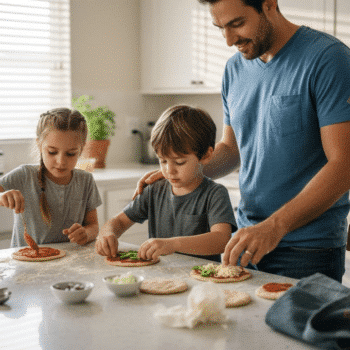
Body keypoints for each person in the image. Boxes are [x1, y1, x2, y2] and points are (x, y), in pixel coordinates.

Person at [133, 0, 350, 282]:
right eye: (221, 28)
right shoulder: (235, 70)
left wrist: (275, 227)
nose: (228, 39)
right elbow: (231, 150)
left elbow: (344, 164)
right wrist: (184, 171)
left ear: (269, 4)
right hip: (245, 241)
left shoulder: (328, 59)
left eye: (237, 24)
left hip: (307, 249)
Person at [95, 105, 236, 262]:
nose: (169, 170)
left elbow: (221, 240)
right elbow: (120, 221)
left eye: (179, 162)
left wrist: (173, 244)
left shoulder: (215, 194)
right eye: (162, 160)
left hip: (201, 280)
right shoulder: (155, 190)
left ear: (206, 155)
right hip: (161, 279)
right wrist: (107, 233)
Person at [0, 108, 102, 247]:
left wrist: (86, 233)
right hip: (26, 263)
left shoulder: (85, 180)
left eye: (71, 153)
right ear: (39, 144)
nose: (61, 161)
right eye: (52, 152)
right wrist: (2, 196)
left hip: (69, 261)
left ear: (82, 148)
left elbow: (93, 225)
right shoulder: (24, 175)